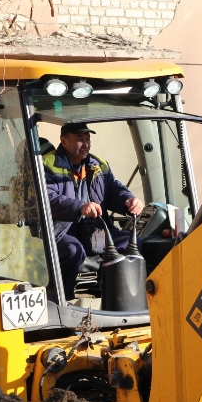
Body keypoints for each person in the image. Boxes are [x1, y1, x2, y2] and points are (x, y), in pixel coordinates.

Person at [43, 123, 144, 300]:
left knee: (131, 244)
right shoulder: (46, 165)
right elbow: (48, 199)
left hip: (93, 228)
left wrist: (128, 199)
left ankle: (113, 297)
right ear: (64, 142)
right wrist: (79, 207)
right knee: (73, 250)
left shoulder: (99, 164)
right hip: (61, 229)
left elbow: (113, 189)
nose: (86, 144)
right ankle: (62, 301)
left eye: (88, 140)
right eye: (80, 140)